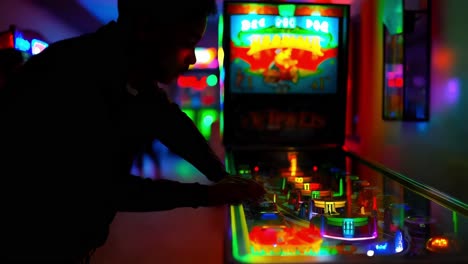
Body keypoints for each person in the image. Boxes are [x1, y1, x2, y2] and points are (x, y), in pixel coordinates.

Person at [0, 0, 265, 263]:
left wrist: (221, 175)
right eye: (188, 42)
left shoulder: (122, 69)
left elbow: (170, 122)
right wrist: (206, 194)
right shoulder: (72, 77)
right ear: (146, 29)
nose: (193, 59)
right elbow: (103, 188)